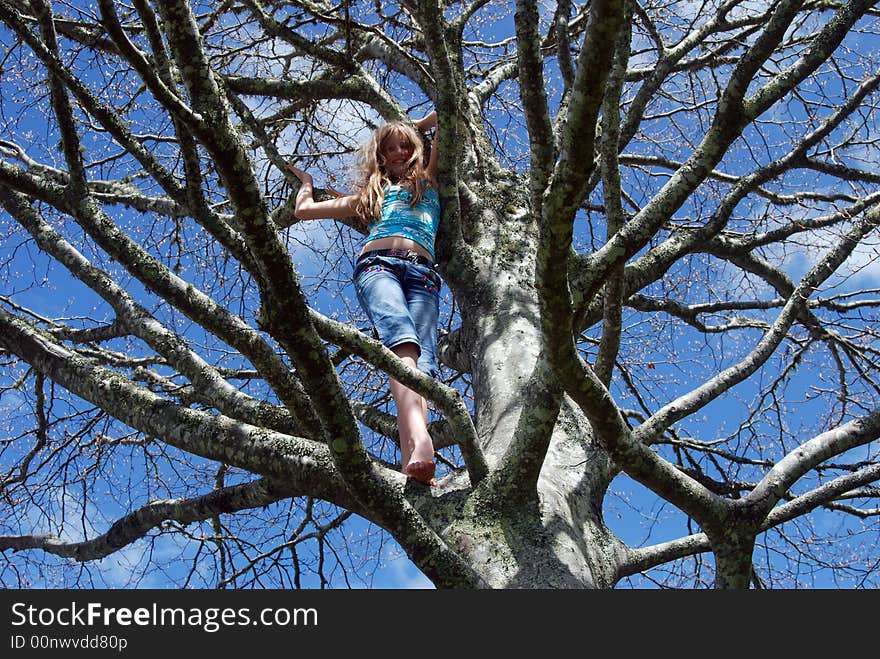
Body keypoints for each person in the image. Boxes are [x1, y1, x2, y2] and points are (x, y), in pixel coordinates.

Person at [287, 110, 441, 485]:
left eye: (406, 146)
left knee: (422, 364)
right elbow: (303, 211)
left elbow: (452, 115)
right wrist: (306, 181)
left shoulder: (430, 181)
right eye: (390, 148)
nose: (400, 152)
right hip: (378, 266)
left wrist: (413, 128)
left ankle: (413, 463)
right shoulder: (370, 197)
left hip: (424, 274)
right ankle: (422, 441)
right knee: (402, 344)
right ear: (380, 157)